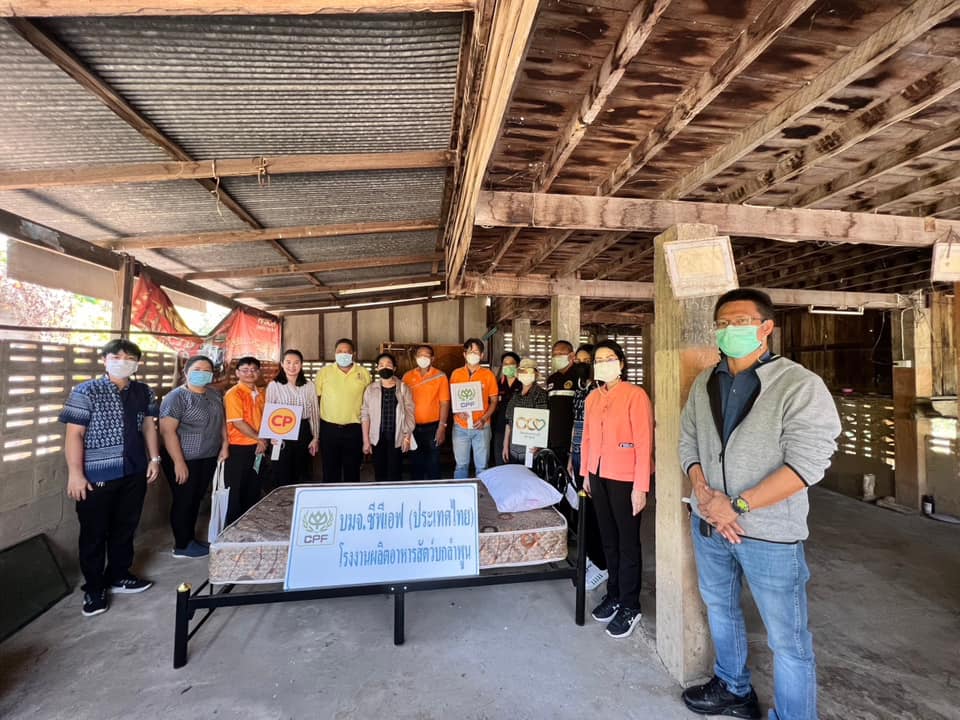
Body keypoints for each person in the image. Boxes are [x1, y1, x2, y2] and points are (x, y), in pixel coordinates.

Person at [679, 288, 841, 720]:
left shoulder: (799, 385)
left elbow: (807, 464)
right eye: (723, 324)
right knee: (720, 607)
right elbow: (688, 441)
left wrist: (737, 506)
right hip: (709, 522)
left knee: (787, 639)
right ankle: (733, 688)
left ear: (766, 327)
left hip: (769, 533)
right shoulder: (705, 382)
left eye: (740, 322)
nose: (729, 330)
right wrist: (703, 491)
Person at [59, 339, 161, 617]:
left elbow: (149, 427)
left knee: (125, 527)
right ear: (104, 360)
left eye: (129, 358)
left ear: (137, 363)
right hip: (96, 474)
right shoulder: (86, 391)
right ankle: (94, 588)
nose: (122, 362)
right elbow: (74, 435)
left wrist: (154, 459)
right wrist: (75, 474)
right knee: (94, 533)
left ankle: (119, 574)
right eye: (116, 357)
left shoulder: (144, 392)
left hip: (134, 470)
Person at [580, 339, 653, 640]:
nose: (604, 364)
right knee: (608, 541)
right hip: (598, 475)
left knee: (627, 543)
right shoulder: (592, 398)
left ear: (621, 363)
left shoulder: (635, 395)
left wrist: (641, 486)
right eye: (598, 360)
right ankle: (614, 593)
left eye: (609, 358)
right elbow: (586, 437)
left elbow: (644, 442)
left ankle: (630, 604)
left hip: (625, 478)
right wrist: (586, 473)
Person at [159, 355, 228, 559]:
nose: (202, 374)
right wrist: (179, 462)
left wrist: (224, 444)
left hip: (207, 455)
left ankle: (190, 539)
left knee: (195, 498)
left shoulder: (214, 394)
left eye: (207, 370)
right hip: (184, 457)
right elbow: (167, 431)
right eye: (197, 369)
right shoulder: (176, 397)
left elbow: (221, 421)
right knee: (184, 499)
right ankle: (182, 545)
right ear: (186, 372)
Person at [568, 343, 608, 591]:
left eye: (587, 361)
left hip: (593, 454)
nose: (582, 365)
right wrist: (571, 456)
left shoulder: (600, 389)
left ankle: (602, 563)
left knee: (595, 509)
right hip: (577, 451)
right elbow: (576, 422)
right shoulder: (580, 389)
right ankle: (590, 556)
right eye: (579, 360)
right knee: (583, 507)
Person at [316, 339, 371, 483]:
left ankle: (351, 496)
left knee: (352, 469)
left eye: (347, 351)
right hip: (329, 428)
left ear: (354, 354)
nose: (343, 354)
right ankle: (330, 495)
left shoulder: (363, 373)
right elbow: (317, 398)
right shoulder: (324, 372)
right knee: (329, 469)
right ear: (334, 353)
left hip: (354, 429)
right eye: (339, 351)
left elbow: (368, 402)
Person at [223, 356, 268, 525]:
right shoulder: (233, 394)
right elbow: (237, 422)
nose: (250, 373)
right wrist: (260, 439)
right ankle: (233, 528)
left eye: (254, 370)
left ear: (259, 372)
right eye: (245, 370)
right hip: (238, 448)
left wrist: (263, 441)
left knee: (253, 488)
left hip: (258, 447)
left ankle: (249, 526)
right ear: (237, 373)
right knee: (236, 490)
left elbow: (267, 419)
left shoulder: (261, 394)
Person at [266, 349, 320, 485]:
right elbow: (269, 411)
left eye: (296, 362)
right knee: (281, 470)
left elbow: (314, 412)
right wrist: (272, 435)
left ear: (301, 365)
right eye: (288, 362)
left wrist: (315, 437)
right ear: (282, 364)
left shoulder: (309, 386)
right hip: (281, 431)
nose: (292, 366)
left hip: (303, 430)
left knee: (302, 470)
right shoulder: (274, 385)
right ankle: (282, 497)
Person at [449, 338, 499, 479]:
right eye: (470, 352)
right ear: (464, 354)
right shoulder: (456, 374)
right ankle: (460, 492)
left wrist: (484, 419)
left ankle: (481, 492)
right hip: (460, 426)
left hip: (482, 427)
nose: (472, 354)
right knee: (461, 465)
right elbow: (452, 398)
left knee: (482, 467)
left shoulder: (488, 375)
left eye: (476, 352)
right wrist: (458, 411)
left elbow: (494, 401)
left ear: (481, 355)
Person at [362, 353, 416, 481]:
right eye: (381, 365)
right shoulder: (370, 389)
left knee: (395, 473)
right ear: (377, 368)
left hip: (397, 437)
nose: (384, 367)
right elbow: (365, 415)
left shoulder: (403, 388)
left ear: (394, 368)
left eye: (388, 364)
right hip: (377, 437)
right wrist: (366, 440)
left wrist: (407, 437)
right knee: (379, 473)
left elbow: (410, 413)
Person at [402, 344, 450, 480]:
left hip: (433, 427)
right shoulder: (407, 377)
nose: (423, 358)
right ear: (415, 358)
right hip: (413, 427)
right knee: (415, 464)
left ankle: (434, 491)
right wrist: (405, 430)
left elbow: (445, 403)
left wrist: (442, 427)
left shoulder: (440, 376)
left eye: (426, 355)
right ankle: (417, 491)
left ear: (432, 358)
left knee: (433, 464)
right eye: (420, 355)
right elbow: (403, 404)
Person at [546, 339, 586, 465]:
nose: (557, 357)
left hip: (572, 437)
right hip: (553, 437)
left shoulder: (579, 376)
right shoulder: (552, 379)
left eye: (560, 353)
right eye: (554, 354)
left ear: (571, 355)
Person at [501, 358, 548, 464]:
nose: (525, 374)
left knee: (529, 473)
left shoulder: (540, 394)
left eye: (529, 371)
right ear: (518, 374)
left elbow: (543, 422)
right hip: (513, 448)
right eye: (522, 371)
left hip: (531, 449)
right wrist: (505, 445)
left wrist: (538, 444)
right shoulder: (515, 395)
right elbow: (508, 422)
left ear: (536, 374)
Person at [490, 351, 521, 467]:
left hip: (518, 428)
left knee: (515, 462)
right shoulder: (498, 384)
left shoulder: (522, 384)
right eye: (505, 364)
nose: (508, 366)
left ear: (517, 365)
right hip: (500, 427)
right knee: (500, 461)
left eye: (511, 363)